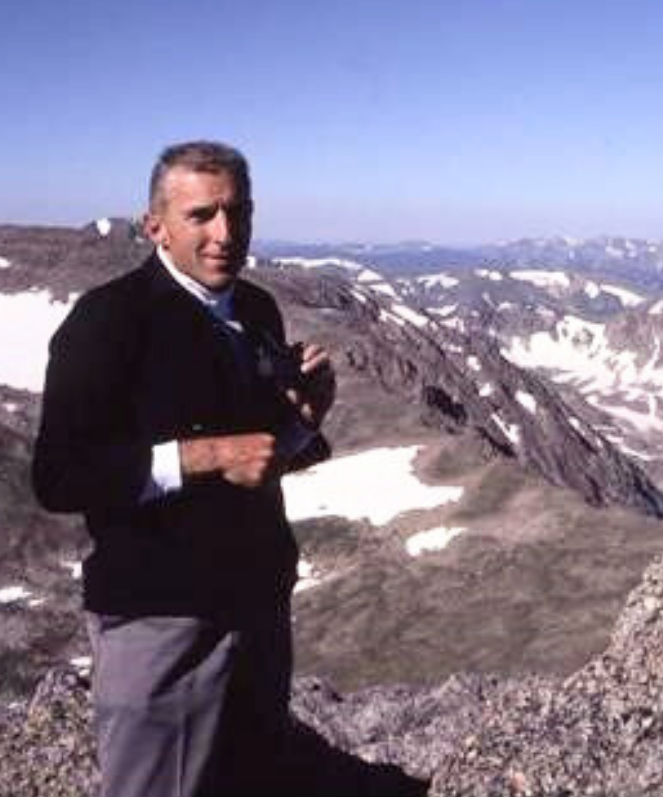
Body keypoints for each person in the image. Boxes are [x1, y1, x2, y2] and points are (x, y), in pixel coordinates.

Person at [33, 142, 426, 796]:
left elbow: (258, 458)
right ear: (155, 223)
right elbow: (60, 475)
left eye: (238, 213)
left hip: (256, 607)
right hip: (164, 620)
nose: (225, 234)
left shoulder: (255, 309)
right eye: (202, 215)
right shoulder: (108, 321)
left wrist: (304, 422)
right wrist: (205, 455)